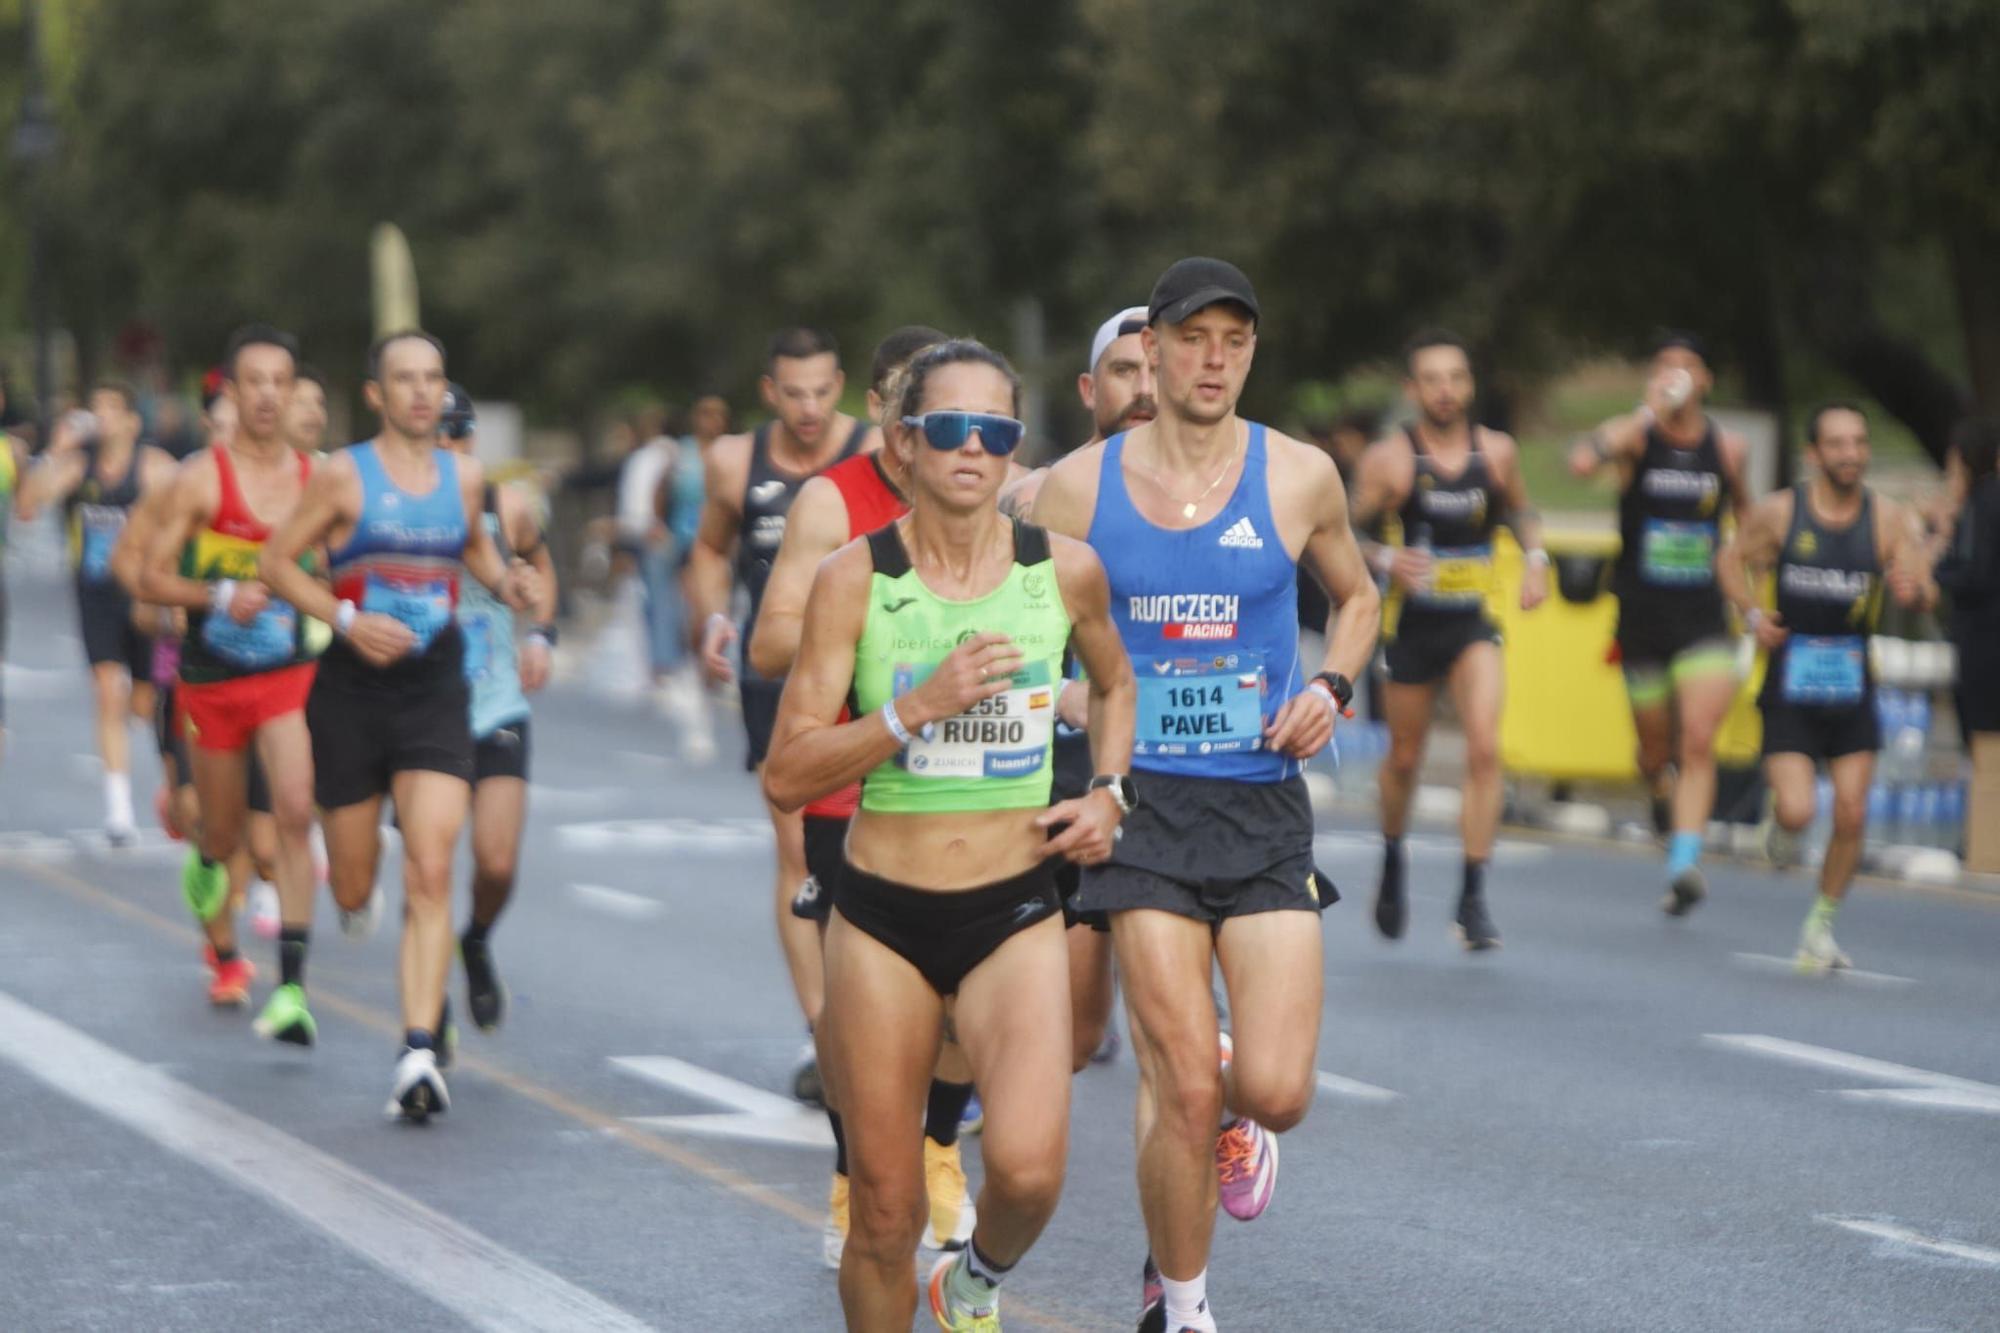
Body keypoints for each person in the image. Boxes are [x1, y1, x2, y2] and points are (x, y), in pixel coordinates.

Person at [1033, 257, 1380, 1333]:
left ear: (1250, 353)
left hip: (1262, 804)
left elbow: (1358, 597)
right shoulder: (1075, 489)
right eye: (1192, 339)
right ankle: (1180, 1306)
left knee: (1268, 1089)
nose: (1212, 359)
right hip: (1138, 809)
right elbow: (1018, 641)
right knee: (1178, 1088)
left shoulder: (1297, 476)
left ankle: (1237, 1094)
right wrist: (1076, 703)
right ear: (1155, 349)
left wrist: (1329, 684)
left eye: (1234, 340)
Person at [763, 337, 1136, 1332]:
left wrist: (1107, 791)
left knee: (1026, 1171)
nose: (973, 448)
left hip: (1013, 910)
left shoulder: (1064, 573)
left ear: (1014, 452)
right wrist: (908, 711)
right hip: (880, 918)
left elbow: (1114, 683)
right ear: (905, 443)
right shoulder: (853, 578)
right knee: (882, 1214)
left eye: (996, 431)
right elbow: (785, 769)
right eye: (949, 429)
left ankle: (970, 1278)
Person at [751, 324, 994, 1268]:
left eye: (934, 406)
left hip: (969, 781)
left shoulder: (990, 494)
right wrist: (874, 638)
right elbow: (773, 643)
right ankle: (856, 1173)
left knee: (964, 1003)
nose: (915, 424)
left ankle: (936, 1141)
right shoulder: (831, 501)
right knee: (866, 1018)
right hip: (853, 782)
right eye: (901, 403)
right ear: (882, 415)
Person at [259, 330, 535, 1121]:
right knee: (352, 884)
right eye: (405, 380)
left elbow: (477, 557)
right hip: (351, 689)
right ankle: (352, 875)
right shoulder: (345, 476)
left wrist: (509, 580)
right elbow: (277, 563)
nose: (423, 393)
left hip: (434, 686)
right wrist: (346, 618)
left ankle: (417, 1046)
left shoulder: (466, 475)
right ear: (376, 393)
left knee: (430, 866)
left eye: (434, 378)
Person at [682, 328, 873, 1107]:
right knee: (797, 850)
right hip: (777, 674)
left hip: (867, 672)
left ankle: (887, 1017)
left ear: (841, 387)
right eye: (793, 393)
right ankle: (822, 1030)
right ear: (770, 392)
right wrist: (711, 623)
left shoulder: (869, 453)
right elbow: (705, 549)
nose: (808, 408)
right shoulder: (732, 460)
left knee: (873, 841)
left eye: (823, 391)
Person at [137, 327, 323, 1022]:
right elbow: (150, 575)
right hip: (211, 680)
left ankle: (293, 987)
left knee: (296, 811)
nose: (270, 394)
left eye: (282, 381)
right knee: (220, 836)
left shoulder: (315, 479)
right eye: (256, 382)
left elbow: (342, 557)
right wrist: (218, 595)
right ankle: (212, 897)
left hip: (284, 675)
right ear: (233, 391)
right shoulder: (199, 480)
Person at [1717, 403, 1935, 970]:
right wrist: (1750, 615)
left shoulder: (1886, 519)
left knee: (1852, 813)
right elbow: (1730, 560)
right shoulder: (1781, 514)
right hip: (1791, 683)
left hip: (1852, 684)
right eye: (1837, 444)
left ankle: (1820, 925)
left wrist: (1913, 591)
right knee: (1795, 811)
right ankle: (1779, 828)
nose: (1850, 454)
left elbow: (1922, 589)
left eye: (1859, 443)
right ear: (1815, 454)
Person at [1350, 330, 1548, 949]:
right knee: (1405, 758)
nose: (1446, 390)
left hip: (1471, 623)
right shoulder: (1390, 460)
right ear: (1413, 390)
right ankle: (1392, 859)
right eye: (1432, 379)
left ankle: (1473, 896)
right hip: (1412, 629)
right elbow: (1338, 536)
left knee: (1485, 749)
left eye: (1456, 378)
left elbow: (1520, 509)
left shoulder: (1497, 452)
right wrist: (1385, 558)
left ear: (1470, 386)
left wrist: (1536, 556)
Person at [1003, 303, 1159, 1071]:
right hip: (1062, 775)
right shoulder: (1038, 497)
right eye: (1126, 371)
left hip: (1183, 773)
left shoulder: (1222, 497)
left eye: (1157, 370)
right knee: (1071, 1035)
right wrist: (1056, 691)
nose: (1144, 388)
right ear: (1090, 386)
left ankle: (1221, 1064)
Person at [1569, 332, 1753, 913]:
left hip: (1702, 615)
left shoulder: (1728, 448)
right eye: (1664, 367)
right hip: (1642, 616)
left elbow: (1748, 513)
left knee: (1698, 740)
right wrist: (1648, 412)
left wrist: (1751, 566)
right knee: (1655, 749)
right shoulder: (1635, 438)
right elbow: (1581, 461)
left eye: (1687, 368)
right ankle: (1657, 787)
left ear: (1707, 382)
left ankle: (1684, 864)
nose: (1676, 376)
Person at [440, 383, 559, 1031]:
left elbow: (540, 563)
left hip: (494, 703)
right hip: (423, 709)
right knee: (429, 869)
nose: (451, 450)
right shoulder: (394, 509)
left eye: (460, 436)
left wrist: (541, 632)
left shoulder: (504, 505)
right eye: (438, 437)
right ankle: (426, 1017)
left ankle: (477, 938)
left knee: (497, 860)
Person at [19, 382, 178, 843]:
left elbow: (186, 516)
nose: (102, 418)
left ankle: (164, 784)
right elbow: (27, 505)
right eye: (96, 408)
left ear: (132, 420)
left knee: (145, 704)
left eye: (112, 409)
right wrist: (54, 449)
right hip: (96, 597)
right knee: (107, 690)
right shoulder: (78, 467)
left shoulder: (152, 468)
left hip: (144, 596)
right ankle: (118, 808)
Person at [1937, 418, 2000, 745]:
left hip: (1985, 651)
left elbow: (1974, 573)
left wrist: (1937, 572)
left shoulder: (1982, 501)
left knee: (1986, 753)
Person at [618, 408, 685, 699]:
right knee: (649, 601)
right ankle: (657, 663)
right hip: (642, 534)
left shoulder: (665, 453)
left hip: (656, 535)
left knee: (660, 600)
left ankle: (664, 663)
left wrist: (658, 523)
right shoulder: (647, 454)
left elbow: (664, 490)